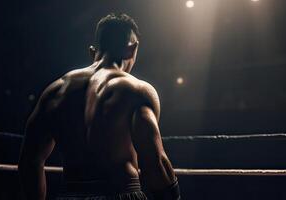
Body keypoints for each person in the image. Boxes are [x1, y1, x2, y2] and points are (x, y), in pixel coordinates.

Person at [18, 13, 181, 200]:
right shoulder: (136, 90)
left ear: (92, 51)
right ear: (132, 49)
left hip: (70, 195)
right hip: (121, 193)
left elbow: (29, 162)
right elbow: (154, 163)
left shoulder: (55, 91)